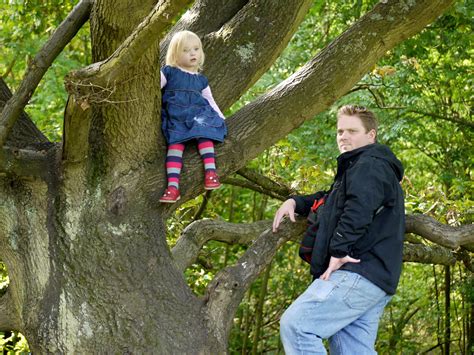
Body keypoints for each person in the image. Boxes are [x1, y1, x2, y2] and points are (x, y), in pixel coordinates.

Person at [273, 105, 405, 354]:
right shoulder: (360, 169)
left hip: (357, 271)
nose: (343, 136)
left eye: (352, 131)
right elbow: (330, 200)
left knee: (297, 326)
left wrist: (338, 251)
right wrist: (295, 201)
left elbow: (359, 209)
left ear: (371, 135)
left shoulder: (370, 165)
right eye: (340, 131)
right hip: (375, 279)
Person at [159, 30, 227, 203]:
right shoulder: (169, 72)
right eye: (186, 50)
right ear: (175, 54)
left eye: (196, 49)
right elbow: (154, 86)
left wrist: (220, 117)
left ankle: (210, 172)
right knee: (175, 146)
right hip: (177, 117)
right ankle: (173, 187)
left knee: (205, 135)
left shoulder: (201, 80)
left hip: (198, 116)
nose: (192, 53)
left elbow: (209, 99)